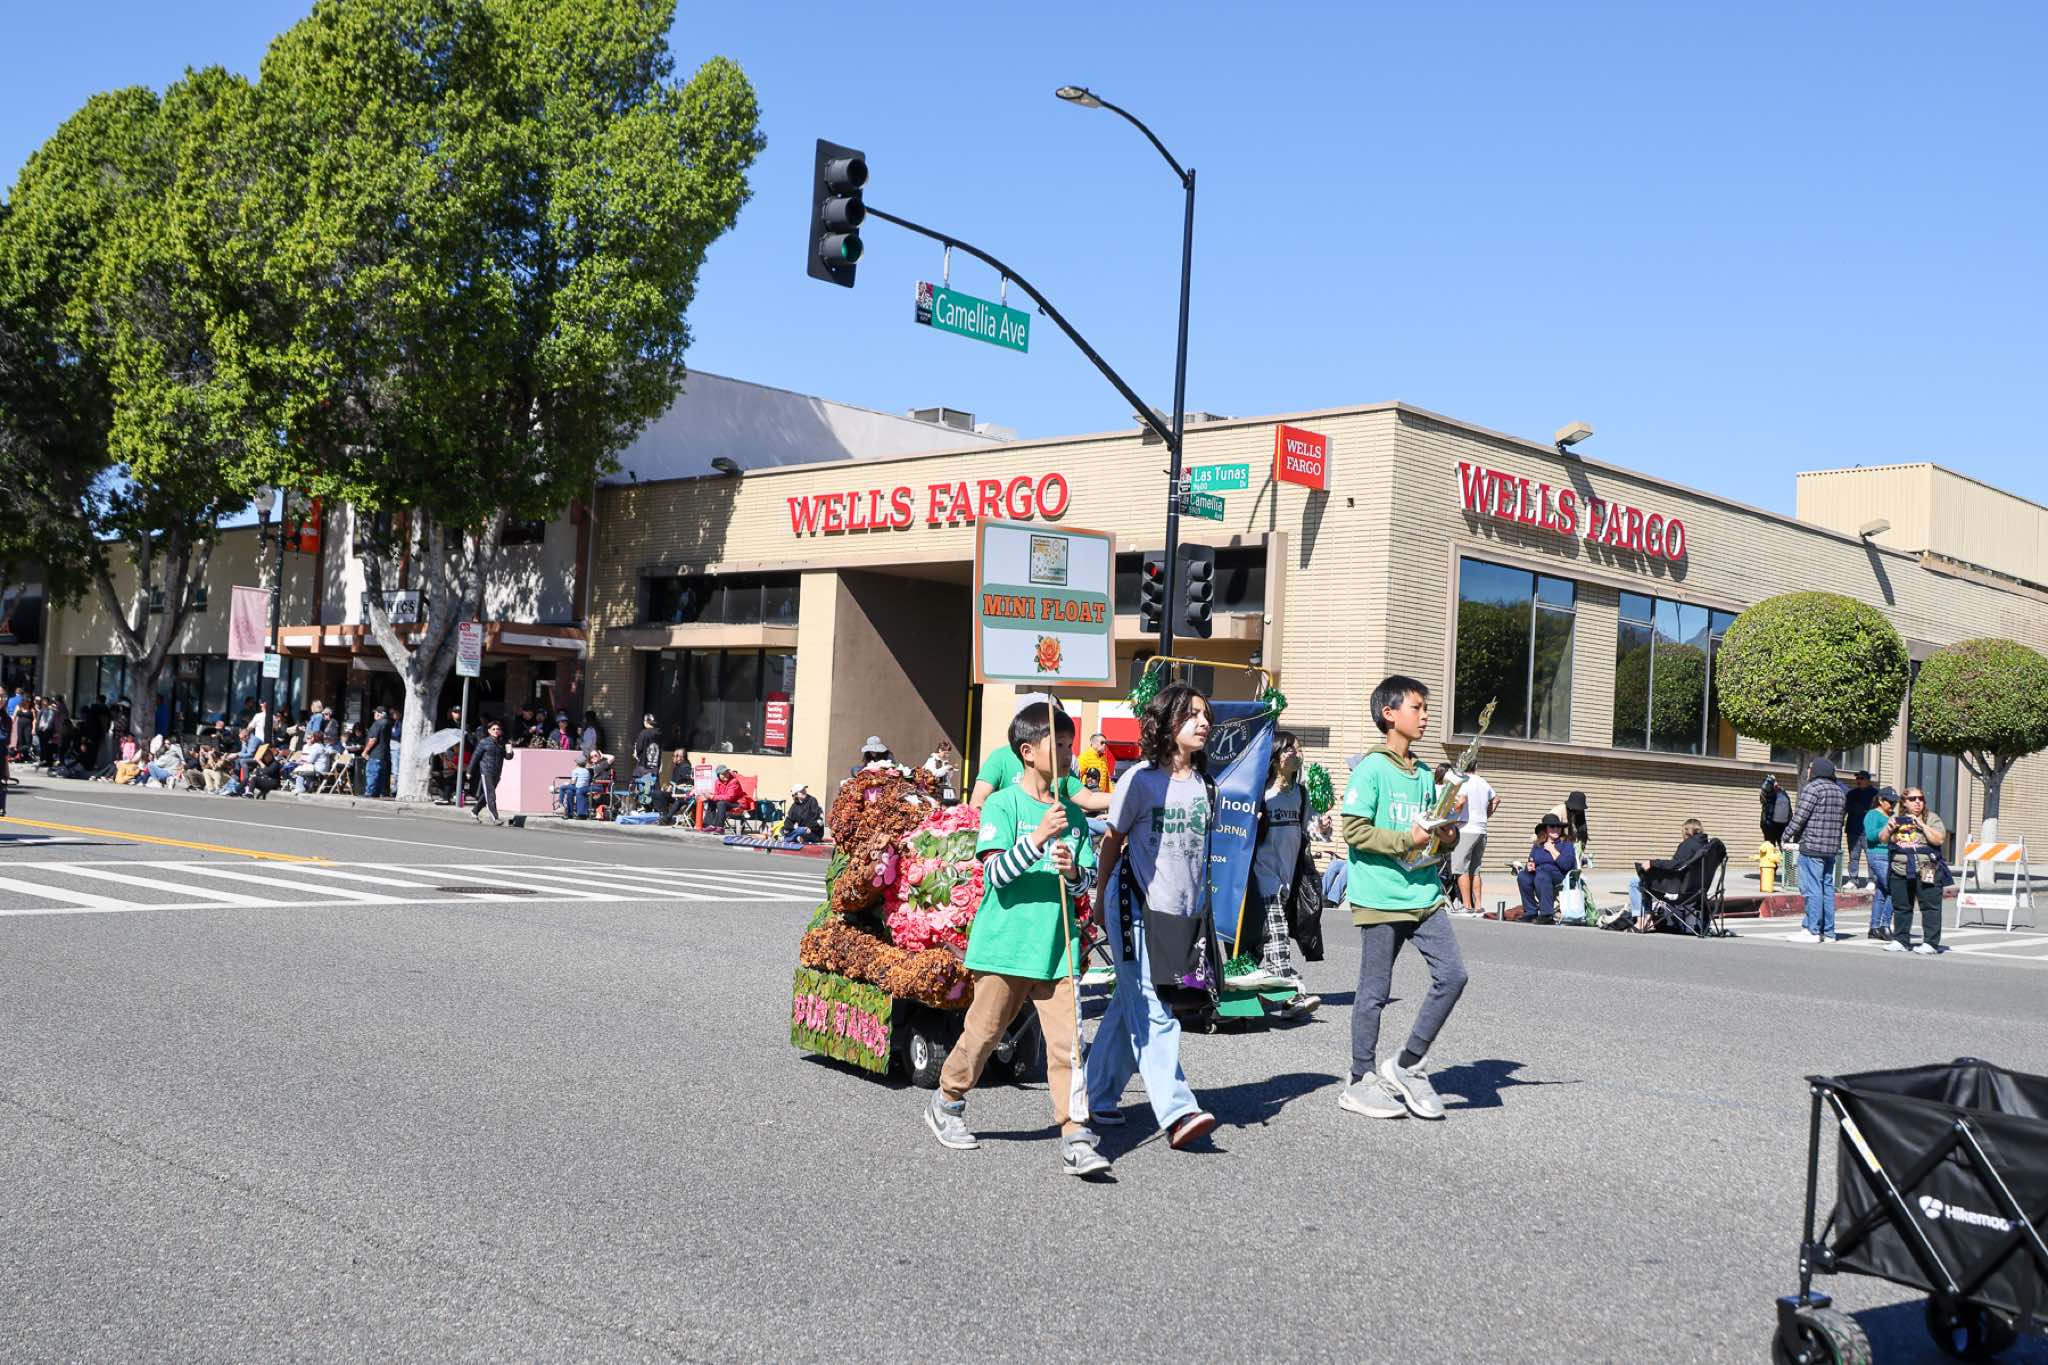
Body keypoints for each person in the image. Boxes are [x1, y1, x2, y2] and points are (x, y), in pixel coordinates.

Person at [926, 702, 1106, 1177]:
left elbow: (1085, 884)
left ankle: (1075, 1134)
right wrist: (1039, 838)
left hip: (1058, 949)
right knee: (983, 1034)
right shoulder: (1002, 804)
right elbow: (995, 874)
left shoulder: (1073, 815)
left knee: (1068, 1047)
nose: (1068, 754)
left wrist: (1074, 873)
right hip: (1005, 946)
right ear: (1027, 752)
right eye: (1057, 745)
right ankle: (948, 1100)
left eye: (1070, 744)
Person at [1084, 683, 1218, 1151]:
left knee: (1130, 1003)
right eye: (1192, 714)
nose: (1203, 722)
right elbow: (1112, 842)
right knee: (1154, 1007)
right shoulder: (1139, 781)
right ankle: (1179, 1111)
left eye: (1205, 715)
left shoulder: (1207, 786)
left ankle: (1095, 1094)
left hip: (1178, 917)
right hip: (1132, 906)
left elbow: (1199, 859)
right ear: (1166, 722)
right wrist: (1099, 899)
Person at [1337, 675, 1469, 1122]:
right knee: (1375, 991)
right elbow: (1353, 830)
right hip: (1381, 896)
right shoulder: (1371, 769)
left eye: (1426, 708)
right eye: (1417, 707)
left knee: (1453, 976)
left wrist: (1448, 833)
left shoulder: (1425, 774)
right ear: (1389, 714)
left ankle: (1407, 1063)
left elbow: (1435, 835)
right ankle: (1359, 1079)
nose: (1426, 716)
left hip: (1425, 893)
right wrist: (1405, 839)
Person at [1242, 729, 1322, 1012]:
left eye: (1299, 749)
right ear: (1276, 756)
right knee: (1277, 934)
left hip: (1288, 877)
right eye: (1291, 749)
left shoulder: (1300, 794)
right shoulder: (1260, 793)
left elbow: (1309, 828)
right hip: (1263, 877)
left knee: (1256, 945)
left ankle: (1238, 993)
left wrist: (1321, 826)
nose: (1297, 754)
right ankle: (1290, 995)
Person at [969, 695, 1111, 817]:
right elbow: (978, 802)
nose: (1067, 753)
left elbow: (1088, 798)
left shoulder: (1061, 767)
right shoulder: (1000, 758)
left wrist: (1123, 796)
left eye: (1069, 745)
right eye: (1049, 716)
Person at [1784, 757, 1847, 944]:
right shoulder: (1839, 791)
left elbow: (1800, 816)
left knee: (1812, 889)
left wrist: (1786, 835)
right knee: (1827, 889)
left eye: (1811, 767)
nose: (1808, 770)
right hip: (1831, 849)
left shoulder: (1812, 788)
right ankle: (1828, 932)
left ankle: (1812, 930)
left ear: (1817, 770)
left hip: (1812, 846)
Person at [1880, 787, 1949, 956]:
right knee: (1901, 907)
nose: (1918, 802)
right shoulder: (1897, 819)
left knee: (1930, 907)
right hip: (1900, 868)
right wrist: (1889, 828)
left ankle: (1930, 943)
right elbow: (1882, 839)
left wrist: (1922, 825)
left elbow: (1939, 839)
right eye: (1912, 799)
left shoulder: (1931, 818)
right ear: (1904, 802)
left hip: (1927, 867)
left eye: (1921, 798)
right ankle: (1901, 940)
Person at [1626, 818, 1710, 930]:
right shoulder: (1706, 846)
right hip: (1697, 891)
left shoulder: (1688, 845)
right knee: (1645, 880)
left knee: (1636, 882)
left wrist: (1653, 863)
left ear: (1686, 831)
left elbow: (1676, 865)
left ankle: (1642, 921)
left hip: (1679, 891)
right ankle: (1648, 918)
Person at [1446, 755, 1498, 916]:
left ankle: (1467, 906)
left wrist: (1452, 817)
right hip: (1481, 829)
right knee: (1475, 869)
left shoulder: (1463, 781)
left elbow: (1461, 801)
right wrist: (1485, 815)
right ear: (1475, 766)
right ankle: (1478, 906)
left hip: (1466, 829)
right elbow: (1496, 799)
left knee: (1460, 868)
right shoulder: (1482, 781)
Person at [1515, 814, 1578, 924]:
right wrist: (1529, 867)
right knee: (1523, 876)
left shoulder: (1566, 843)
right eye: (1552, 827)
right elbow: (1531, 860)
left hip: (1559, 874)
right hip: (1539, 873)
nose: (1556, 829)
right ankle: (1530, 912)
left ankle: (1546, 914)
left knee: (1542, 876)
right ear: (1545, 829)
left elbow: (1567, 865)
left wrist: (1552, 850)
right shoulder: (1538, 845)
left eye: (1558, 827)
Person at [1862, 787, 1897, 941]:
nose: (1893, 804)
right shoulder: (1872, 814)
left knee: (1882, 892)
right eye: (1890, 801)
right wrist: (1888, 828)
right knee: (1895, 889)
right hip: (1878, 854)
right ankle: (1884, 925)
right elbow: (1871, 836)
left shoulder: (1891, 816)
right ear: (1881, 800)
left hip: (1890, 854)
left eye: (1895, 802)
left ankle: (1874, 928)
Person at [1842, 771, 1878, 887]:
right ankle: (1853, 880)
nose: (1858, 780)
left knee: (1870, 857)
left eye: (1861, 778)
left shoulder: (1875, 794)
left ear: (1868, 780)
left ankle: (1872, 880)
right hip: (1853, 829)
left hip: (1868, 831)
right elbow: (1845, 809)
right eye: (1857, 778)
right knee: (1853, 856)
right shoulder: (1851, 793)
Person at [470, 720, 507, 824]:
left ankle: (475, 811)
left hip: (497, 772)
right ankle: (495, 818)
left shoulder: (502, 743)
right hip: (486, 771)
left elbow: (508, 757)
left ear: (500, 731)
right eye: (493, 729)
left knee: (487, 794)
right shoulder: (484, 742)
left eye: (498, 729)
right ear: (489, 731)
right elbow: (475, 756)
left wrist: (510, 752)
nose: (496, 731)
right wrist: (469, 770)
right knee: (491, 795)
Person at [362, 706, 392, 798]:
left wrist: (365, 751)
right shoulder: (388, 723)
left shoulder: (378, 723)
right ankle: (379, 793)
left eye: (376, 713)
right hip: (384, 754)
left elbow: (373, 739)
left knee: (372, 773)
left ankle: (369, 793)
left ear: (380, 714)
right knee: (381, 775)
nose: (374, 715)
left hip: (375, 754)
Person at [703, 764, 743, 831]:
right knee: (711, 801)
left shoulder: (734, 781)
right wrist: (710, 796)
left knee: (721, 803)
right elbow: (717, 795)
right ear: (718, 775)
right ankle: (711, 825)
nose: (726, 775)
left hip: (736, 803)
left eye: (727, 773)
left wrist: (713, 797)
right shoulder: (717, 782)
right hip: (725, 802)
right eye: (723, 774)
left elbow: (730, 797)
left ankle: (720, 827)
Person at [922, 739, 958, 804]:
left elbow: (948, 779)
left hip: (944, 789)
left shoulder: (945, 761)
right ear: (940, 750)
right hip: (933, 790)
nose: (947, 755)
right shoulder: (932, 760)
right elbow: (932, 774)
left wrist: (950, 770)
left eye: (948, 753)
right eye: (945, 753)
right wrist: (945, 768)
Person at [1760, 774, 1792, 847]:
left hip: (1783, 825)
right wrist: (1771, 779)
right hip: (1770, 825)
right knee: (1770, 848)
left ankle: (1785, 855)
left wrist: (1790, 821)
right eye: (1773, 782)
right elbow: (1764, 788)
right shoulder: (1768, 794)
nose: (1775, 782)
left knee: (1786, 849)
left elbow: (1788, 808)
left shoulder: (1783, 792)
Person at [564, 753, 593, 819]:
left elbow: (573, 782)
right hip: (582, 786)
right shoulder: (587, 770)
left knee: (575, 790)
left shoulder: (579, 770)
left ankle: (581, 814)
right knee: (569, 792)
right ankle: (570, 813)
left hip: (584, 787)